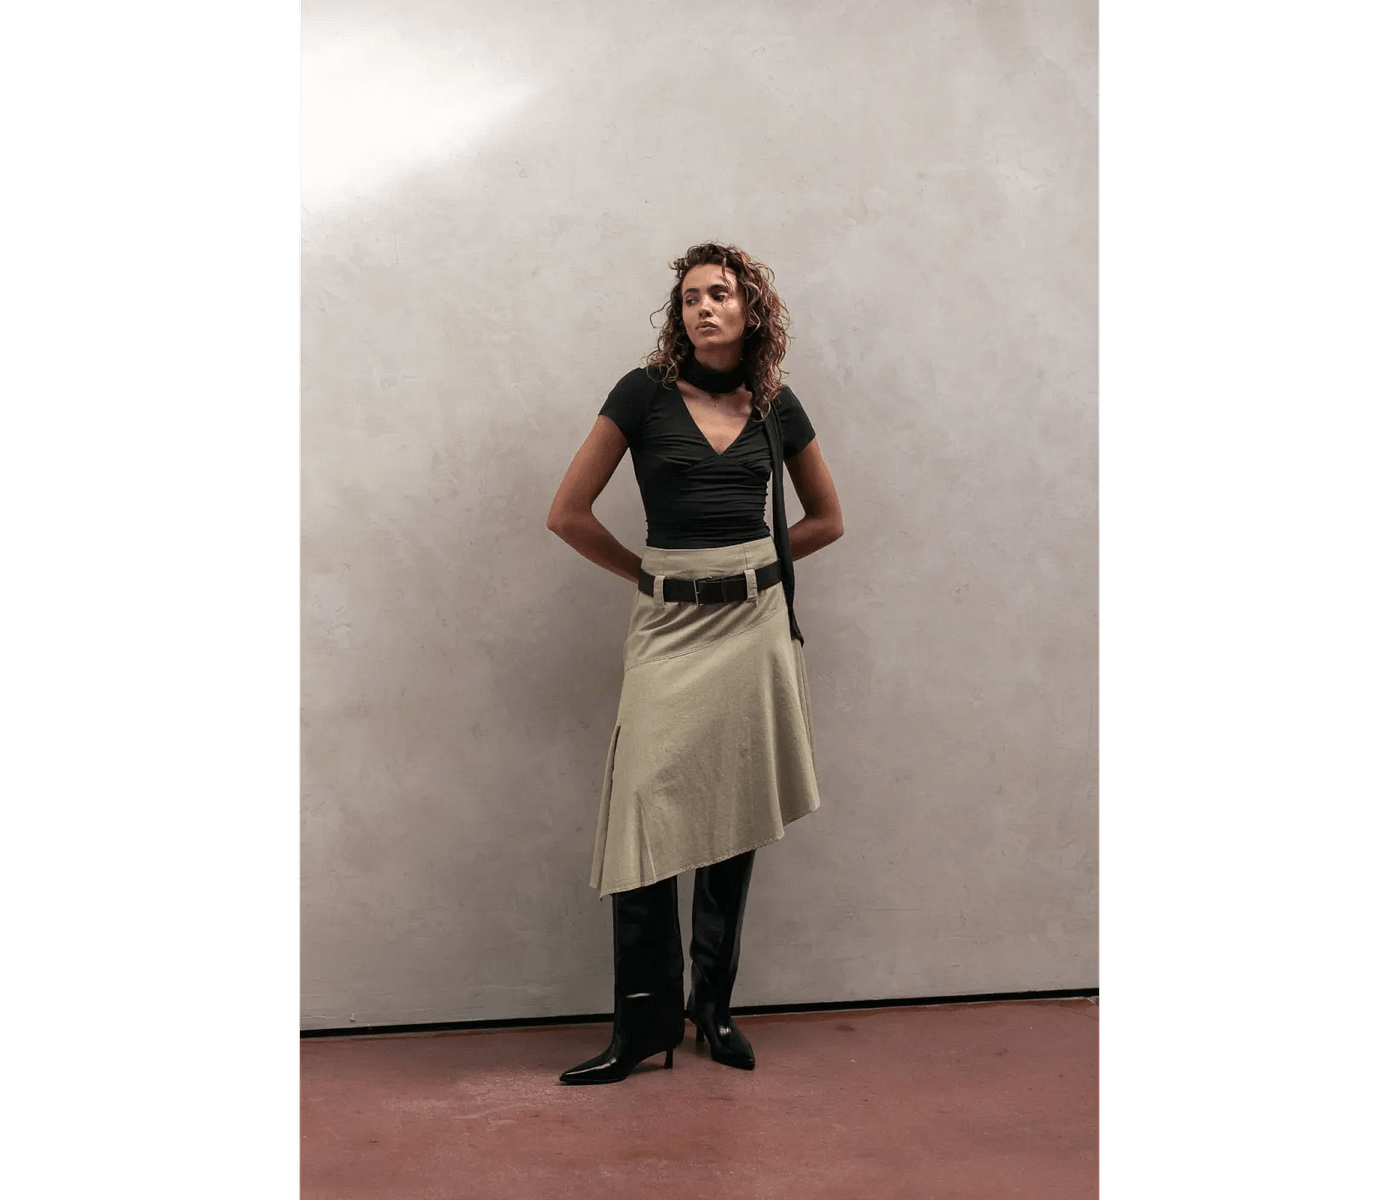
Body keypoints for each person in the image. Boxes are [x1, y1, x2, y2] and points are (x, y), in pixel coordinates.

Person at [546, 242, 844, 1085]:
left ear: (752, 311)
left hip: (753, 627)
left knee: (735, 808)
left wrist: (751, 572)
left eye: (720, 294)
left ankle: (712, 1009)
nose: (703, 307)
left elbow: (827, 519)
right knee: (642, 805)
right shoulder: (641, 394)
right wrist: (648, 573)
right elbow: (567, 514)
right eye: (689, 298)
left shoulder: (775, 405)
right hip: (669, 629)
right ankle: (644, 1025)